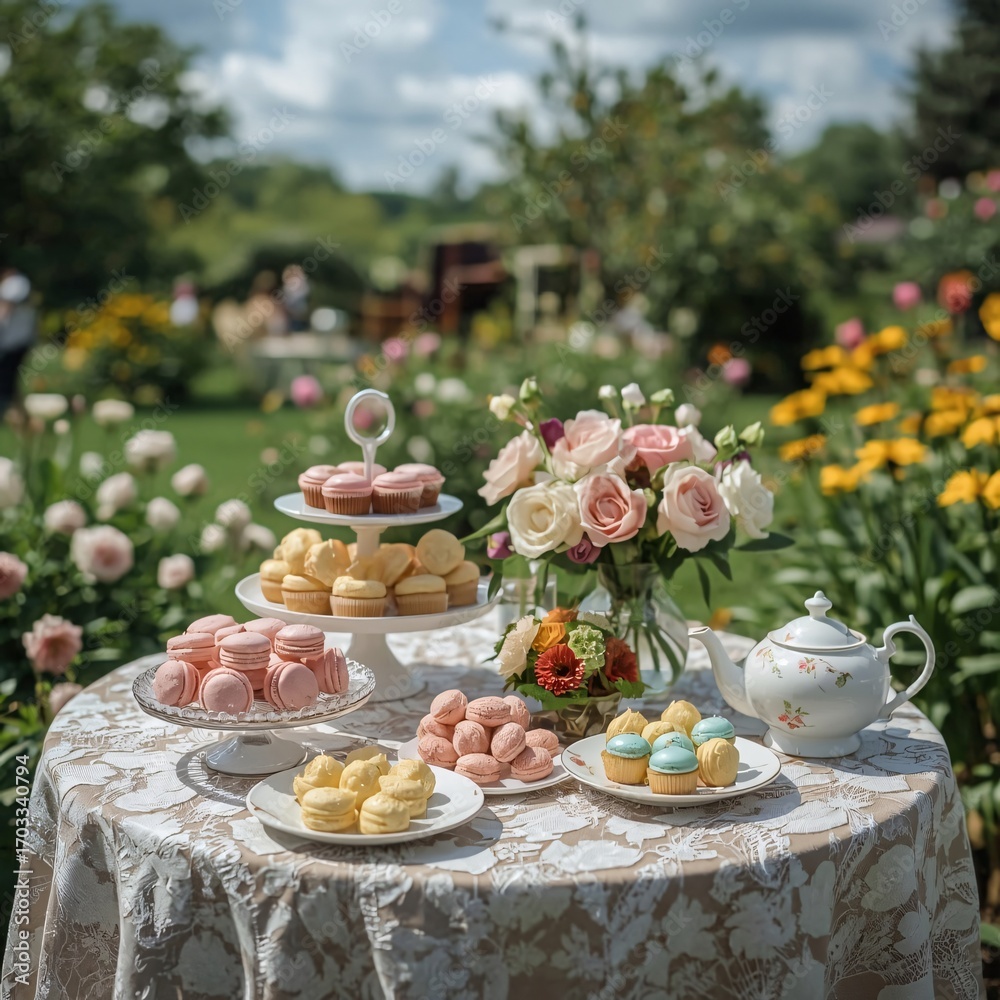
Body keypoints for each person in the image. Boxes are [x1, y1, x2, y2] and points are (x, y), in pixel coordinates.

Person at [0, 269, 38, 415]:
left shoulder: (15, 283)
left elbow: (7, 306)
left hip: (14, 343)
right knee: (9, 381)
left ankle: (7, 412)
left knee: (6, 380)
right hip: (17, 341)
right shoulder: (16, 284)